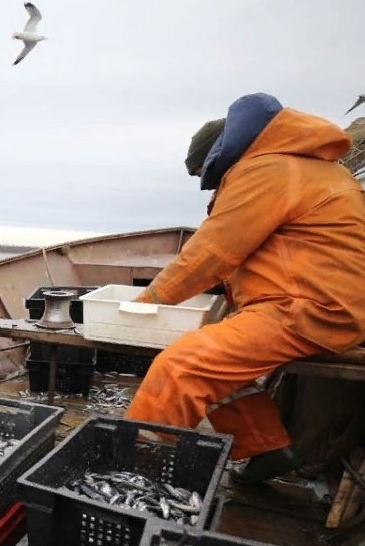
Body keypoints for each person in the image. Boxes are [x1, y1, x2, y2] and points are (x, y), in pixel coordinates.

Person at [125, 92, 365, 484]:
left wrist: (143, 303)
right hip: (324, 303)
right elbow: (270, 250)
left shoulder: (267, 170)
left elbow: (212, 252)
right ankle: (266, 448)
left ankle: (134, 475)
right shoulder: (303, 166)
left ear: (219, 155)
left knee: (180, 366)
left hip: (309, 309)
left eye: (203, 174)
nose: (207, 184)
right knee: (215, 362)